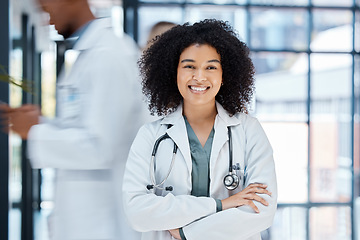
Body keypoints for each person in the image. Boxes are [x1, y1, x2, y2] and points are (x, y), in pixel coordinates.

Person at [0, 0, 144, 239]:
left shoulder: (107, 57)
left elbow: (100, 147)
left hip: (103, 222)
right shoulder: (92, 55)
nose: (47, 18)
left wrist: (35, 132)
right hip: (85, 219)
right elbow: (87, 127)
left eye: (47, 8)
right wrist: (42, 124)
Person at [122, 19, 277, 240]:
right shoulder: (150, 136)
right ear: (172, 72)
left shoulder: (248, 131)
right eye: (189, 66)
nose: (200, 77)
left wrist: (187, 233)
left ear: (225, 75)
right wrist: (220, 205)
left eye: (211, 67)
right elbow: (137, 213)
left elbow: (261, 209)